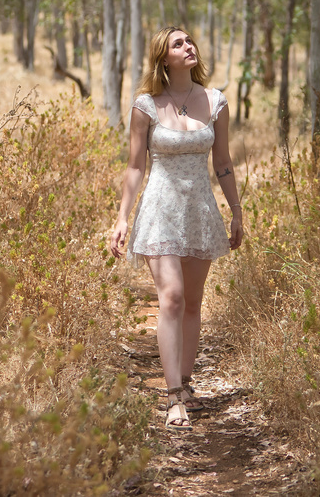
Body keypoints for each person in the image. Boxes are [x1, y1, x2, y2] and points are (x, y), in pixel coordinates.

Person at [110, 26, 243, 431]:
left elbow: (222, 162)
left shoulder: (215, 101)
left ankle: (185, 385)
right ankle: (171, 398)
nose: (189, 47)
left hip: (199, 209)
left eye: (190, 41)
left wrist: (236, 211)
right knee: (171, 297)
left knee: (192, 304)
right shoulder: (146, 106)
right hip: (159, 210)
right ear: (163, 57)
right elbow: (135, 167)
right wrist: (121, 216)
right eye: (177, 44)